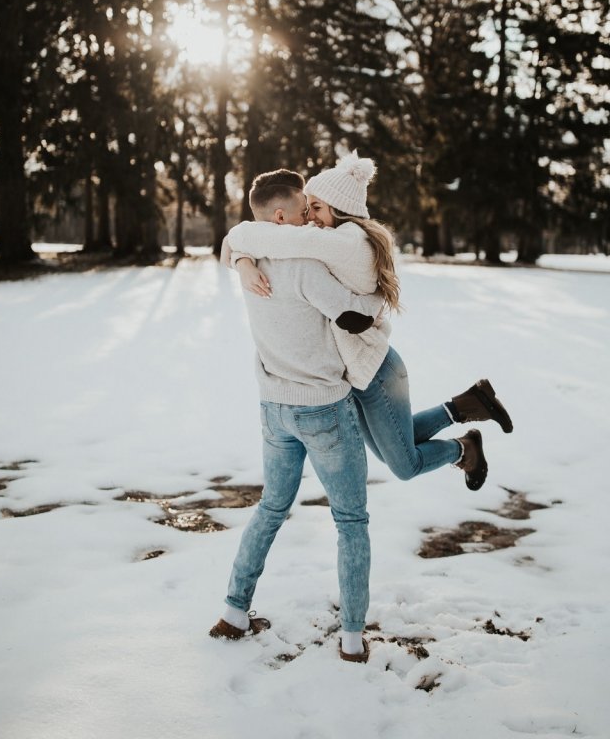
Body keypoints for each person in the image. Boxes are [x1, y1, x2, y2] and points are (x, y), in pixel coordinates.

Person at [225, 153, 513, 493]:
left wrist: (238, 250)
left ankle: (464, 449)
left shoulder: (345, 241)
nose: (309, 218)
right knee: (392, 448)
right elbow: (257, 239)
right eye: (308, 208)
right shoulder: (338, 237)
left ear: (337, 207)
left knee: (405, 464)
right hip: (358, 372)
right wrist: (242, 260)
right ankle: (467, 404)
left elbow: (260, 237)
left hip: (375, 370)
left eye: (315, 208)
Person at [210, 170, 383, 664]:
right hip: (323, 408)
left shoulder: (250, 264)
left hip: (273, 408)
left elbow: (237, 243)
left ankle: (233, 612)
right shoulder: (304, 266)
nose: (313, 217)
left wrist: (241, 258)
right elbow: (353, 317)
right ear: (281, 216)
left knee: (270, 508)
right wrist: (382, 299)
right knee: (351, 520)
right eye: (305, 210)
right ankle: (352, 639)